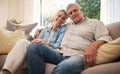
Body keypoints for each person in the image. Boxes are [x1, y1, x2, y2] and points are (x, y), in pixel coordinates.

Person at [27, 3, 113, 74]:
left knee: (64, 67)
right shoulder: (67, 26)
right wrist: (40, 29)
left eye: (75, 10)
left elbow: (105, 37)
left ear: (81, 10)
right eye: (70, 13)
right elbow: (55, 25)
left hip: (77, 56)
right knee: (34, 46)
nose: (73, 14)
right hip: (59, 53)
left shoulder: (95, 23)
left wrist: (93, 46)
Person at [1, 9, 68, 74]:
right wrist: (36, 35)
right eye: (59, 16)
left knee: (34, 46)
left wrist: (49, 44)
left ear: (64, 21)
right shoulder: (45, 30)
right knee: (23, 42)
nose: (60, 19)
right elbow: (37, 42)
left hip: (51, 51)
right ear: (55, 16)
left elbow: (59, 45)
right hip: (39, 49)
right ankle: (6, 71)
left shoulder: (62, 30)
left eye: (63, 18)